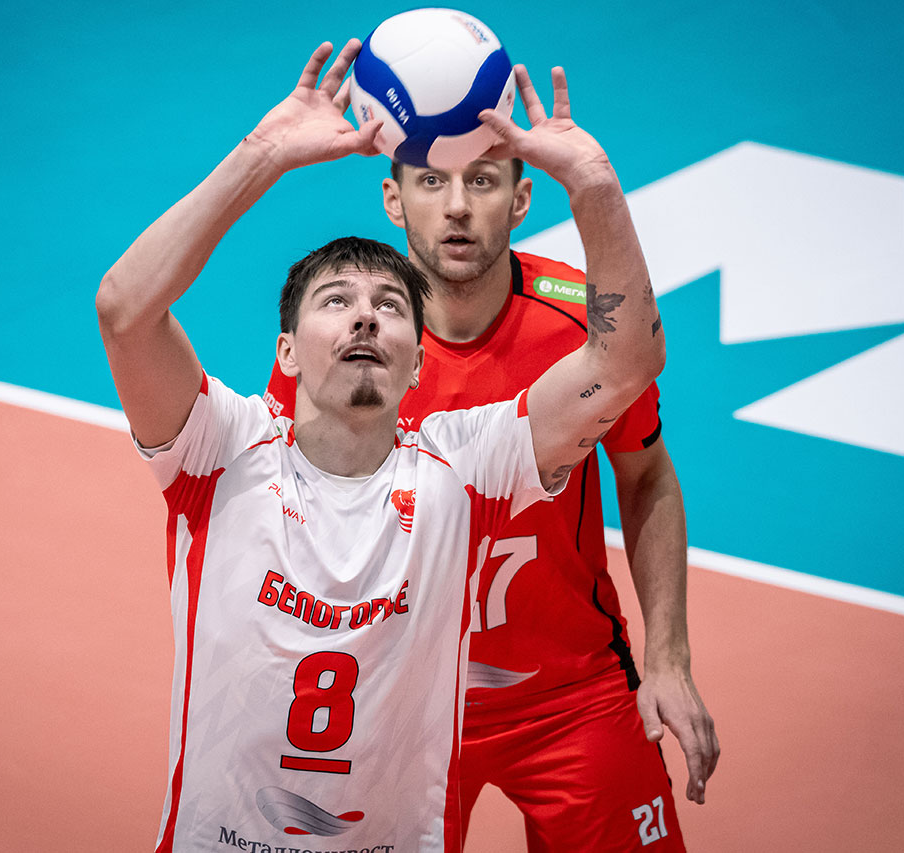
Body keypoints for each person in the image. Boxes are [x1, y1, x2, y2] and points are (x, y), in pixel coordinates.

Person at [98, 39, 665, 853]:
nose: (365, 315)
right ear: (287, 353)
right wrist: (262, 156)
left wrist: (595, 187)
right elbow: (125, 310)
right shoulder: (220, 454)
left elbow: (624, 364)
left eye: (390, 307)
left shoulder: (462, 469)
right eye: (336, 301)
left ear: (418, 361)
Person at [263, 68, 718, 853]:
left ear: (520, 198)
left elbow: (646, 473)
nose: (458, 205)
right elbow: (293, 522)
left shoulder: (585, 328)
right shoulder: (349, 349)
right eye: (431, 181)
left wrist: (669, 658)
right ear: (394, 200)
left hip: (571, 692)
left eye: (481, 179)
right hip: (397, 701)